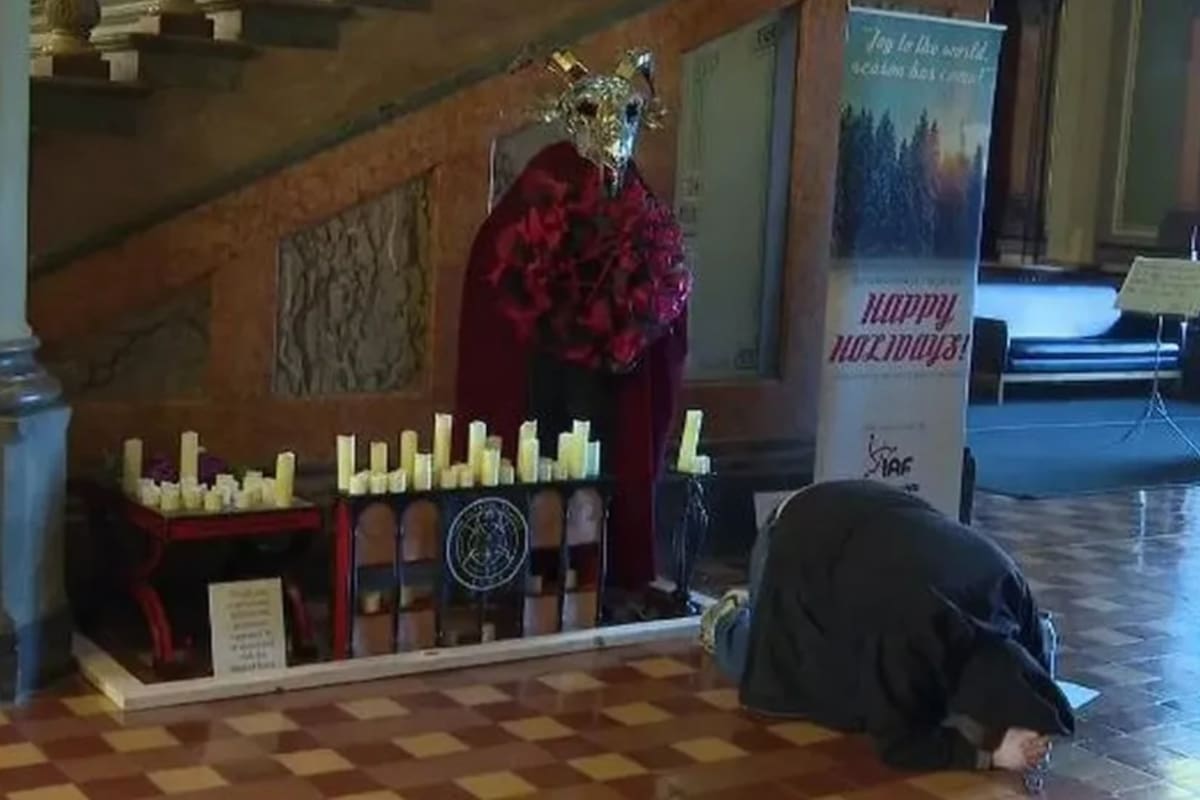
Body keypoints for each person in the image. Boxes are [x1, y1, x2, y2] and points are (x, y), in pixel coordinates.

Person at [701, 480, 1073, 773]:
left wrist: (1033, 716)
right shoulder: (909, 633)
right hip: (795, 536)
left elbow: (1036, 664)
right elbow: (897, 741)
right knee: (794, 676)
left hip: (864, 516)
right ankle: (729, 621)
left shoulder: (1008, 585)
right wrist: (990, 757)